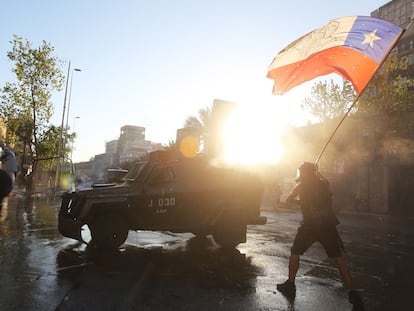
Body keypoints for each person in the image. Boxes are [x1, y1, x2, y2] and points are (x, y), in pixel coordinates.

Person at [277, 162, 364, 310]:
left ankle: (290, 284)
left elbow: (289, 200)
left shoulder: (302, 186)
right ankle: (353, 293)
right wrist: (318, 173)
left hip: (310, 226)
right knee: (338, 259)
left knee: (295, 252)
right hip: (327, 226)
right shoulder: (324, 183)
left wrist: (301, 202)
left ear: (303, 173)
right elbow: (323, 183)